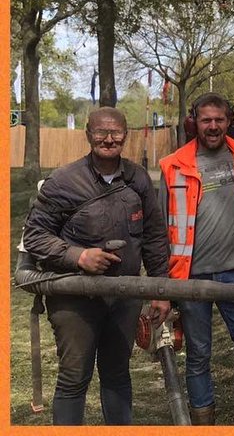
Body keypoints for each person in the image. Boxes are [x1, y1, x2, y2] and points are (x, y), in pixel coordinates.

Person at [21, 107, 170, 425]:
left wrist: (160, 290)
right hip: (75, 298)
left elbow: (155, 237)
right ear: (88, 134)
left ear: (125, 135)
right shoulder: (64, 181)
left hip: (125, 298)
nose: (109, 138)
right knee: (74, 378)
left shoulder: (138, 179)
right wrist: (78, 256)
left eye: (116, 132)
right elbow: (34, 236)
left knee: (117, 375)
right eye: (101, 132)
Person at [158, 94, 234, 425]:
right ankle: (204, 424)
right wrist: (164, 284)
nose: (213, 126)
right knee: (198, 357)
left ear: (229, 121)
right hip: (192, 278)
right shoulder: (173, 165)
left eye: (219, 119)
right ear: (194, 122)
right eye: (206, 120)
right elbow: (161, 227)